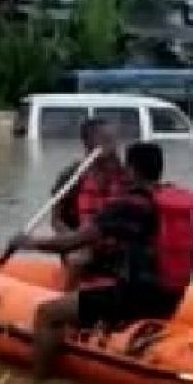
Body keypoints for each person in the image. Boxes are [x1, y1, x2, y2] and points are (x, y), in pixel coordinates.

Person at [7, 141, 193, 380]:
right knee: (98, 288)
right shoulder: (168, 201)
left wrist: (29, 243)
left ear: (131, 170)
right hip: (170, 299)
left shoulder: (128, 206)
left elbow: (73, 242)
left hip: (134, 300)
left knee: (48, 313)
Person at [51, 118, 127, 290]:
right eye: (105, 139)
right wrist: (75, 239)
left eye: (113, 139)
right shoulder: (72, 175)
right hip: (80, 242)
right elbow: (56, 219)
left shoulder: (126, 174)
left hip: (114, 244)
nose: (113, 144)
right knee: (79, 257)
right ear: (88, 142)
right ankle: (65, 301)